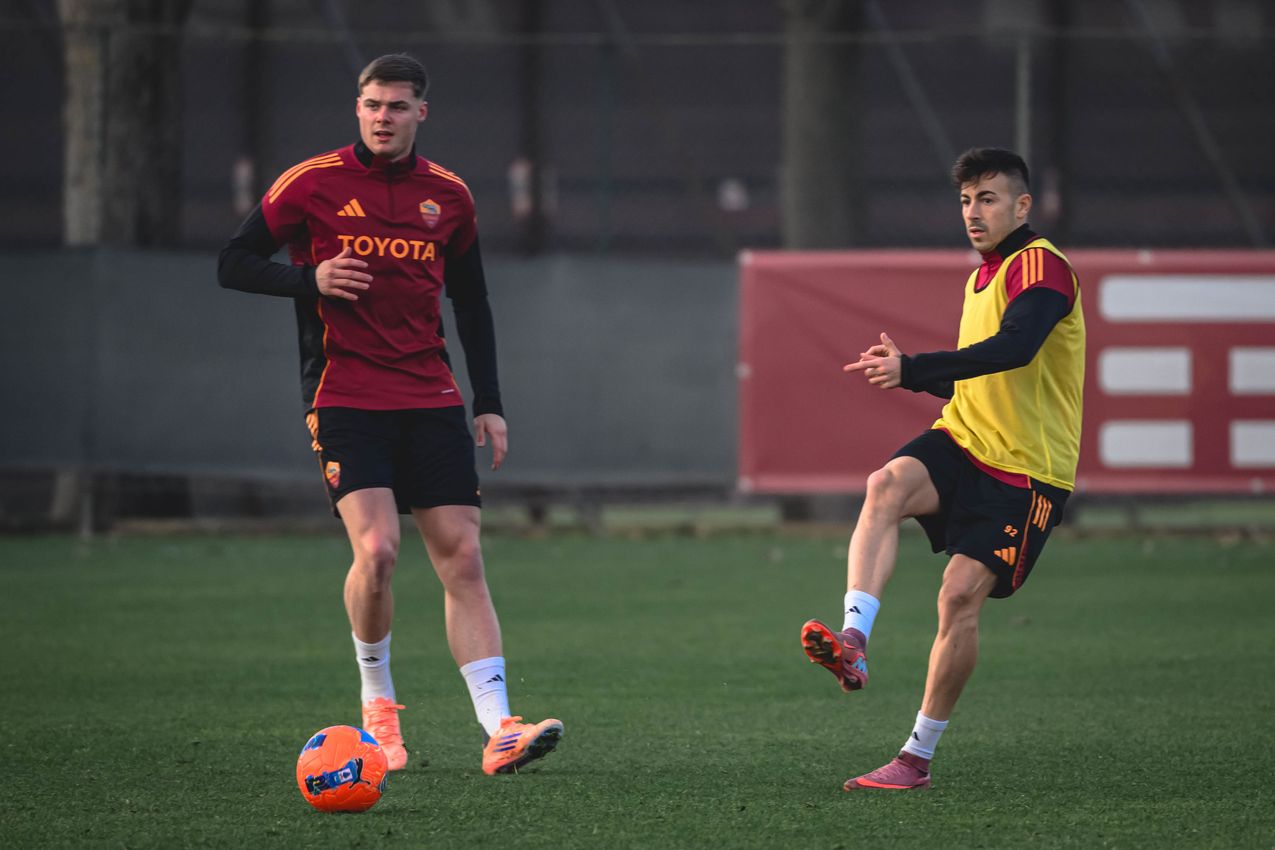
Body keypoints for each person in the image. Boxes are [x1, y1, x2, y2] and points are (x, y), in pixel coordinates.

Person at [217, 53, 562, 776]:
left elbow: (471, 302)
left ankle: (499, 728)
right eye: (372, 104)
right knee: (375, 554)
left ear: (420, 113)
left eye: (397, 106)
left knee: (463, 557)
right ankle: (377, 706)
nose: (383, 117)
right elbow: (234, 261)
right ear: (358, 108)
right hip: (344, 393)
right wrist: (307, 278)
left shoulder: (450, 196)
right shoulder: (311, 183)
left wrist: (489, 403)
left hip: (431, 395)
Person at [800, 147, 1084, 791]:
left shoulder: (1040, 266)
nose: (974, 212)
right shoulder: (981, 275)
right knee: (885, 485)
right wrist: (918, 380)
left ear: (1022, 205)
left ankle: (916, 759)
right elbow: (986, 382)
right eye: (965, 200)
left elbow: (1016, 350)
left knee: (957, 598)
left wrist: (913, 371)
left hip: (1028, 473)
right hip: (965, 439)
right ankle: (853, 640)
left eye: (988, 199)